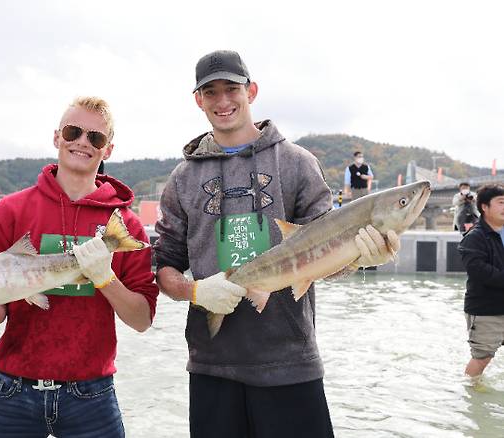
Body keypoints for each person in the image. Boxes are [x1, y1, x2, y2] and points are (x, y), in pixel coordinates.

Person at [154, 49, 400, 438]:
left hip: (290, 361)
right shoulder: (182, 178)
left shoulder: (297, 163)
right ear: (198, 100)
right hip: (211, 362)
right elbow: (164, 266)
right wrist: (195, 290)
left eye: (231, 89)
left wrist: (361, 257)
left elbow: (328, 258)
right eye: (211, 92)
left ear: (251, 91)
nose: (222, 101)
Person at [0, 96, 158, 437]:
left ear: (107, 150)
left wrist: (104, 278)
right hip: (12, 391)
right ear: (56, 137)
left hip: (92, 394)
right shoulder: (8, 212)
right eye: (73, 131)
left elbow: (141, 320)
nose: (82, 142)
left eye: (95, 138)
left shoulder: (125, 225)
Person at [458, 183, 504, 380]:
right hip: (486, 310)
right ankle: (471, 396)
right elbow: (479, 271)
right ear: (484, 207)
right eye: (501, 202)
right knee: (482, 358)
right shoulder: (474, 238)